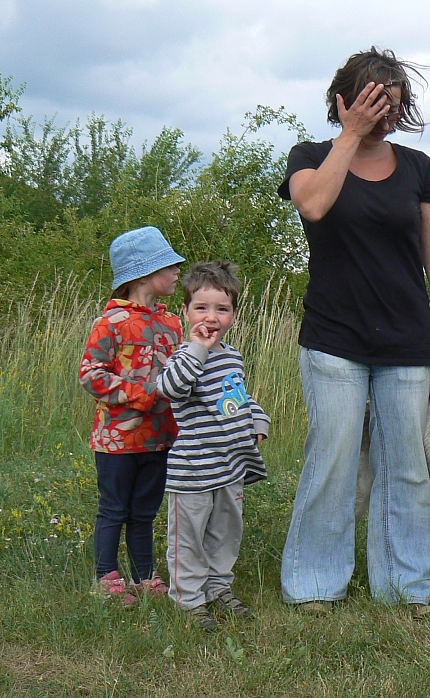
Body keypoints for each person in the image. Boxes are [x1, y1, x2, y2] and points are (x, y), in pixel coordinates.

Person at [277, 47, 430, 616]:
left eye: (393, 104)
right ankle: (315, 585)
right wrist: (349, 136)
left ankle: (405, 589)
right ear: (343, 100)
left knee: (408, 466)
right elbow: (314, 206)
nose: (385, 114)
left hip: (405, 340)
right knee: (333, 460)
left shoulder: (418, 168)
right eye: (372, 102)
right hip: (333, 339)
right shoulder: (311, 156)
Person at [156, 261, 270, 630]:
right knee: (188, 538)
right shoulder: (184, 356)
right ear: (186, 312)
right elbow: (170, 389)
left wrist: (257, 418)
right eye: (202, 308)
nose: (212, 316)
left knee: (225, 532)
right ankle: (188, 600)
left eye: (222, 309)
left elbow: (235, 397)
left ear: (233, 315)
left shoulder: (232, 356)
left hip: (229, 465)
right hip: (193, 470)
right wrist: (197, 349)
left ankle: (218, 586)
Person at [79, 226, 185, 605]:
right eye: (169, 265)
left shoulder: (173, 323)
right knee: (113, 509)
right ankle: (107, 579)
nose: (177, 272)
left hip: (160, 436)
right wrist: (141, 395)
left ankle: (143, 576)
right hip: (117, 439)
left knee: (145, 512)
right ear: (143, 273)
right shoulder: (111, 322)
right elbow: (91, 374)